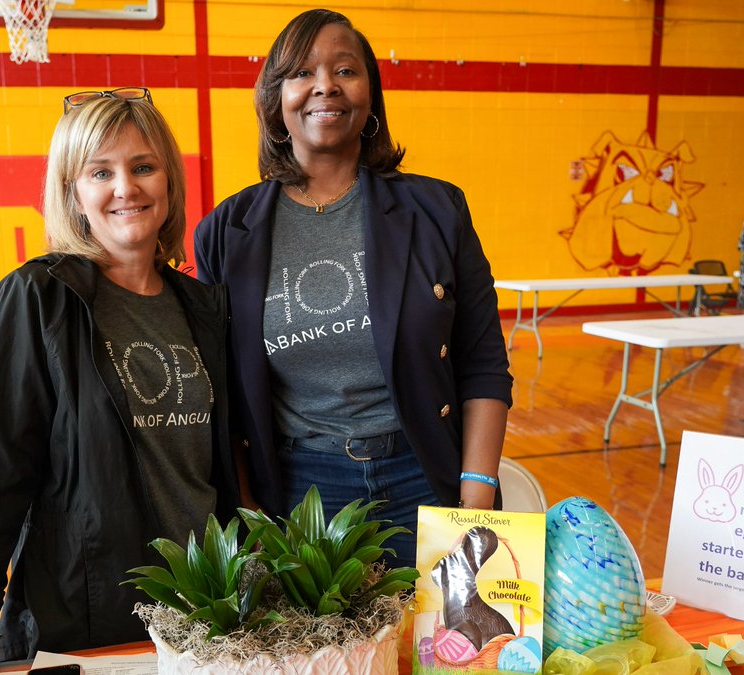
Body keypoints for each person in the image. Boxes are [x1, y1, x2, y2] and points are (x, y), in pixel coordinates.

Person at [194, 9, 512, 569]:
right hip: (301, 496)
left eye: (345, 69)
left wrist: (476, 498)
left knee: (448, 653)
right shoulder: (226, 232)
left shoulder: (437, 209)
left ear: (370, 96)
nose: (325, 86)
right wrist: (250, 511)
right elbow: (224, 397)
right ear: (276, 99)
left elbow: (483, 361)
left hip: (427, 476)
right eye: (302, 72)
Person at [0, 89, 238, 673]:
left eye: (143, 167)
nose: (126, 188)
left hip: (205, 605)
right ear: (74, 193)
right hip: (90, 609)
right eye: (101, 172)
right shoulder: (43, 298)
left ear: (168, 182)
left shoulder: (202, 306)